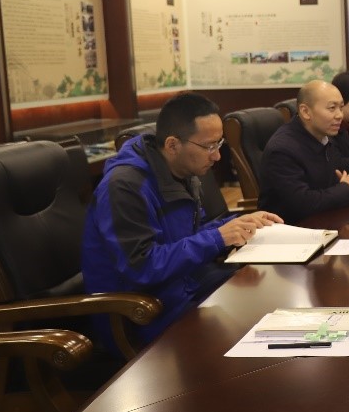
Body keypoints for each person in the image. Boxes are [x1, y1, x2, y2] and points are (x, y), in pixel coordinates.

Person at [82, 92, 282, 345]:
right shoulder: (124, 187)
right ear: (172, 145)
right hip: (143, 314)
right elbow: (141, 268)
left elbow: (188, 235)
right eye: (209, 146)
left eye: (219, 144)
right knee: (259, 326)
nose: (217, 156)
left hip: (186, 287)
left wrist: (239, 224)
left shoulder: (179, 169)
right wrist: (217, 238)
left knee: (272, 295)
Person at [258, 80, 349, 224]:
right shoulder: (282, 150)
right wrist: (346, 188)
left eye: (341, 107)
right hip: (293, 229)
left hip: (325, 220)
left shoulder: (325, 137)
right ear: (305, 112)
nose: (339, 115)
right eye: (332, 108)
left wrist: (343, 187)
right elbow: (303, 203)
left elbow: (333, 178)